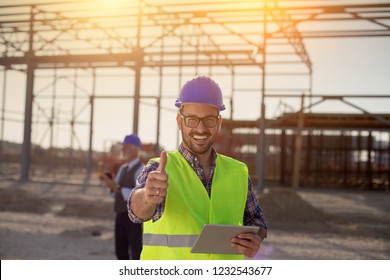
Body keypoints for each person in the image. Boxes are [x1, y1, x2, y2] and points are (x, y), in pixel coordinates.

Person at [128, 76, 267, 260]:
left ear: (219, 123)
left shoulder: (238, 171)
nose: (200, 129)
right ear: (179, 122)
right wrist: (147, 196)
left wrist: (255, 238)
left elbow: (257, 219)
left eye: (209, 120)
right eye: (192, 120)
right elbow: (135, 212)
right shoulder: (160, 168)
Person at [101, 134, 144, 260]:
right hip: (120, 215)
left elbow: (140, 194)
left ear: (135, 149)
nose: (123, 149)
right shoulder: (123, 168)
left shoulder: (141, 169)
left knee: (136, 252)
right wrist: (111, 185)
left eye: (126, 146)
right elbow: (116, 191)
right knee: (121, 252)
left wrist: (118, 188)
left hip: (134, 218)